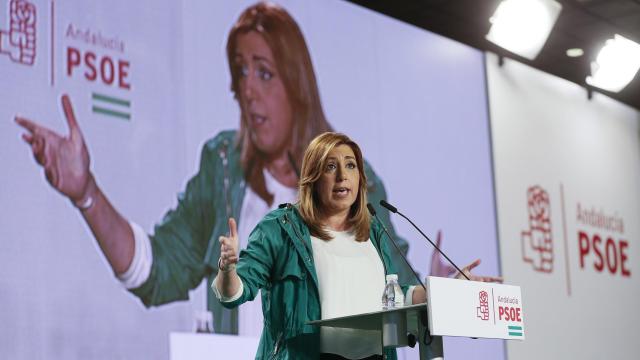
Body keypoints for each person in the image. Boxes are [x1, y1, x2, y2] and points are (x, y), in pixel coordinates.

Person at [14, 2, 413, 336]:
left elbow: (396, 288)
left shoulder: (350, 179)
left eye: (264, 72)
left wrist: (438, 294)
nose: (248, 90)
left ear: (297, 85)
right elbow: (157, 271)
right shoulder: (223, 166)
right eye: (240, 71)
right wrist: (87, 192)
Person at [213, 132, 500, 360]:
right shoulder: (280, 228)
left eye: (350, 165)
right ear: (313, 177)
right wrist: (228, 270)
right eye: (330, 166)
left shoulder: (373, 231)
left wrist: (447, 289)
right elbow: (236, 293)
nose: (342, 176)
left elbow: (394, 296)